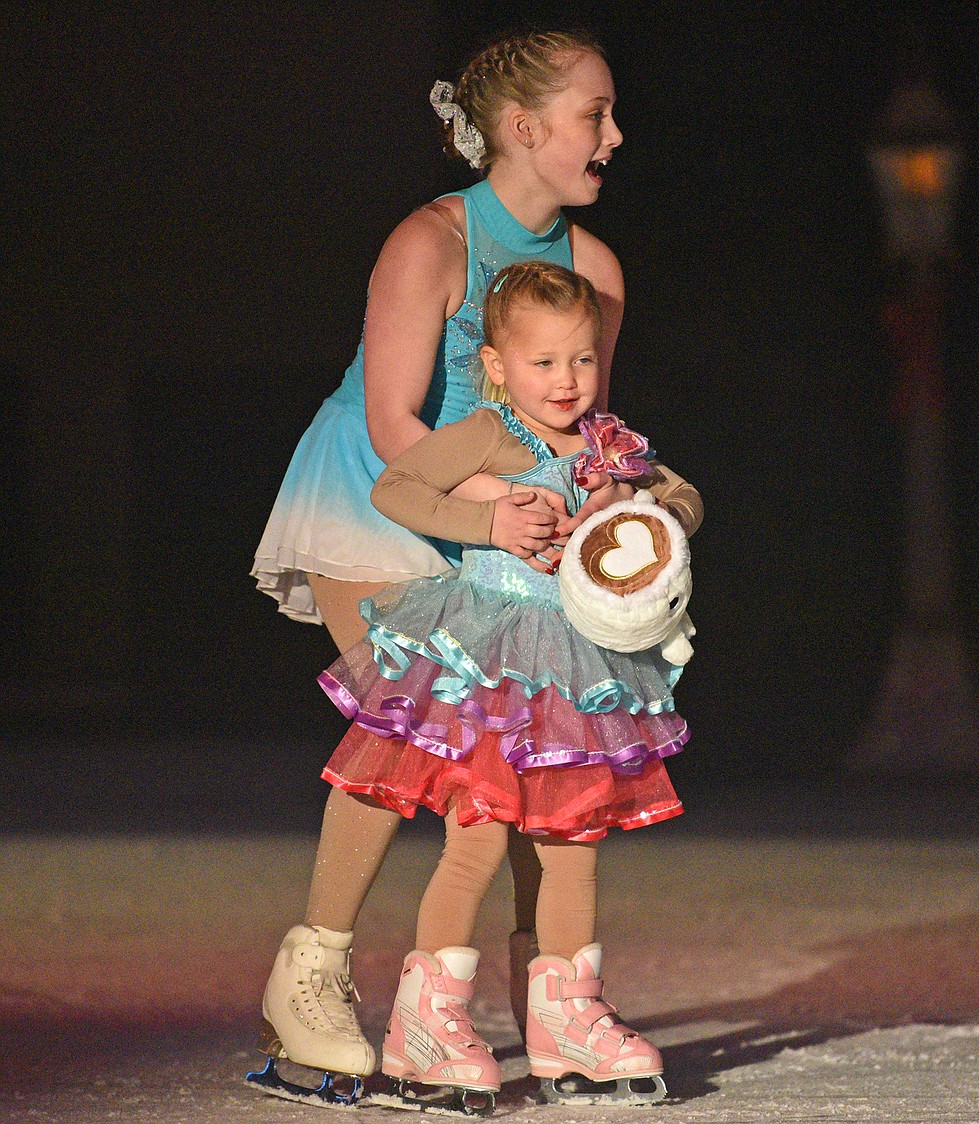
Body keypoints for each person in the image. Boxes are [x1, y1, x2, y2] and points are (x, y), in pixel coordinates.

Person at [248, 30, 632, 1105]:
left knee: (534, 738)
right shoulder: (429, 242)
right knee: (411, 721)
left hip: (508, 511)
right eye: (594, 113)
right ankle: (311, 971)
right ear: (523, 129)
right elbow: (389, 419)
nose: (614, 134)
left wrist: (596, 509)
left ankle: (549, 994)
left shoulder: (595, 269)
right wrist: (498, 512)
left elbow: (583, 433)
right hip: (379, 494)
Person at [316, 261, 702, 1112]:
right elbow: (397, 486)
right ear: (496, 366)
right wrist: (486, 518)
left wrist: (639, 506)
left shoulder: (607, 443)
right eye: (543, 363)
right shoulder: (492, 437)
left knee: (573, 842)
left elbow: (684, 497)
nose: (566, 382)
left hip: (573, 671)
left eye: (582, 361)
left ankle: (564, 1018)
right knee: (479, 838)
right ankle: (429, 1023)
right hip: (488, 661)